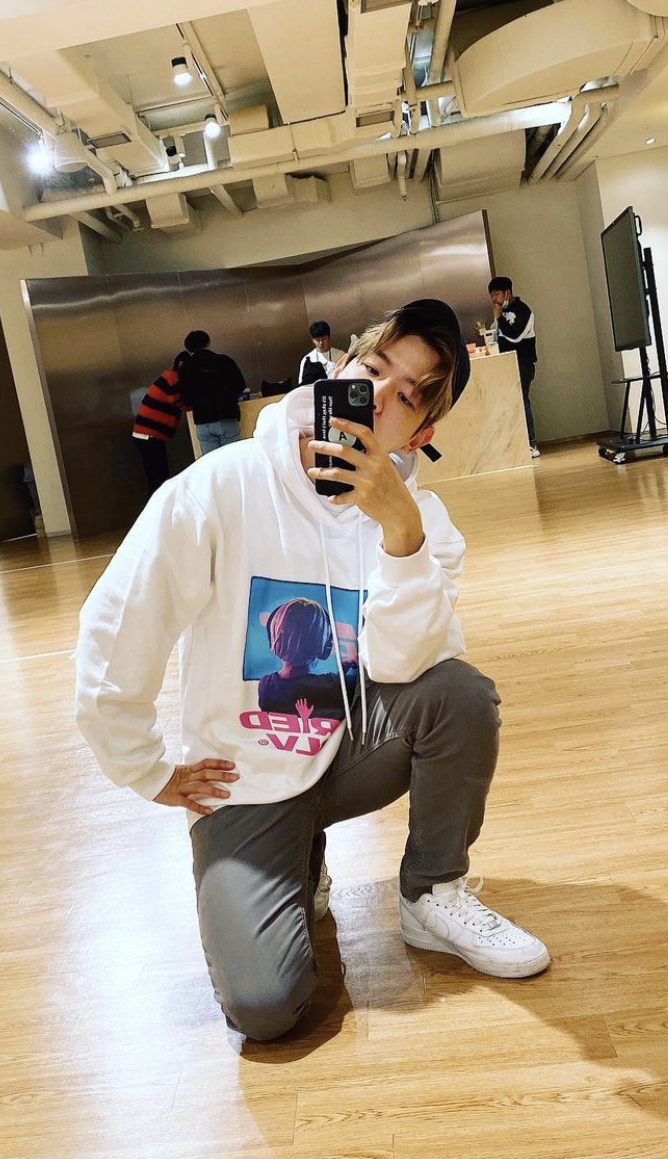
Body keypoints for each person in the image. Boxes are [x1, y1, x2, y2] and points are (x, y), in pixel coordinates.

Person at [75, 297, 550, 1044]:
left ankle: (431, 892)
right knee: (265, 1005)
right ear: (339, 370)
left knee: (459, 695)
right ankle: (296, 856)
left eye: (408, 396)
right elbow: (119, 624)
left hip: (349, 749)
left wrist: (400, 532)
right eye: (374, 369)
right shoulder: (222, 486)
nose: (379, 396)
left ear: (420, 435)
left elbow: (404, 664)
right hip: (244, 777)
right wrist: (144, 768)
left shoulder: (423, 522)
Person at [488, 277, 540, 458]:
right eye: (492, 295)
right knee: (513, 403)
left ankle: (531, 444)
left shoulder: (523, 311)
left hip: (523, 363)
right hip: (507, 364)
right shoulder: (501, 312)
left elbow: (515, 336)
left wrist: (499, 318)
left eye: (497, 294)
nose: (494, 299)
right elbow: (498, 337)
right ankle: (518, 446)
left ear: (507, 293)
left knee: (522, 401)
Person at [178, 330, 246, 454]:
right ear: (208, 343)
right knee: (233, 460)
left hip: (203, 421)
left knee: (212, 463)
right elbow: (240, 385)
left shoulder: (185, 368)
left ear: (188, 348)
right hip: (227, 416)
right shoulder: (224, 361)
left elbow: (185, 398)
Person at [132, 356, 188, 498]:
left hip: (147, 435)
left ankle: (159, 504)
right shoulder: (171, 378)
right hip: (148, 436)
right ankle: (159, 505)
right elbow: (179, 402)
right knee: (158, 476)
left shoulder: (169, 377)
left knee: (157, 475)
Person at [298, 320, 346, 385]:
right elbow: (302, 384)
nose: (321, 343)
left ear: (329, 337)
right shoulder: (308, 359)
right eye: (317, 340)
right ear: (313, 340)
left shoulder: (341, 355)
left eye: (323, 339)